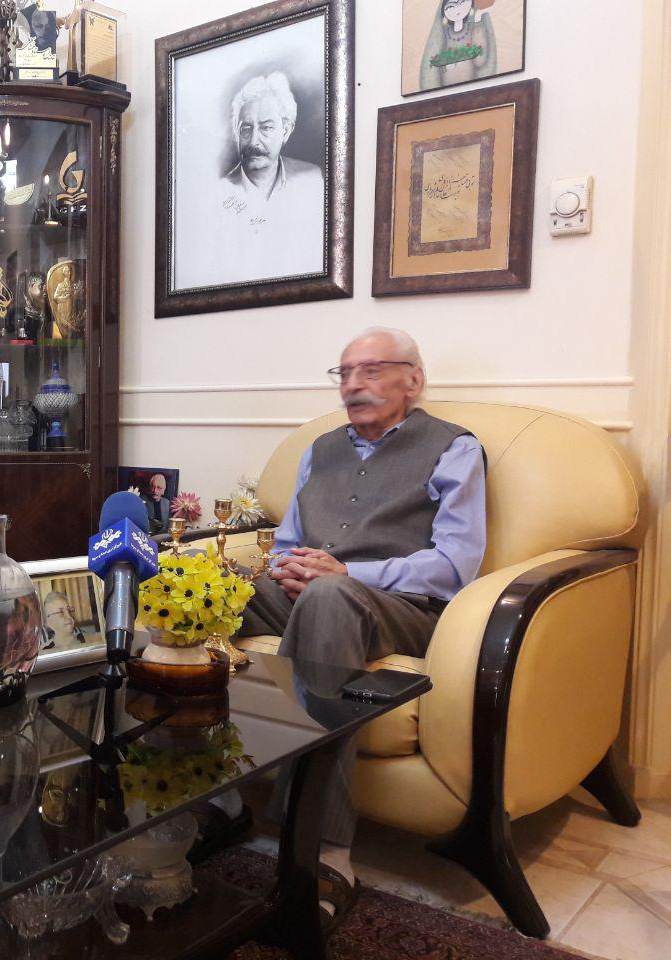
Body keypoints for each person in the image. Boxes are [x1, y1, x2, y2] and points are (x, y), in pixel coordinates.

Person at [236, 326, 487, 913]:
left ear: (413, 381)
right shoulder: (319, 449)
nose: (353, 385)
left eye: (371, 371)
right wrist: (288, 569)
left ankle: (325, 846)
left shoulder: (454, 448)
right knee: (205, 593)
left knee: (328, 597)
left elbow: (455, 565)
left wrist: (348, 574)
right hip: (315, 592)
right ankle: (210, 799)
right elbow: (287, 543)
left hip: (403, 607)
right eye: (344, 373)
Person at [177, 71, 325, 288]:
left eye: (266, 128)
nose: (254, 140)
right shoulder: (214, 194)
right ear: (237, 133)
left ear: (286, 131)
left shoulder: (311, 181)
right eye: (246, 129)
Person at [419, 0, 498, 92]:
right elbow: (433, 59)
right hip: (446, 88)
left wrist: (478, 22)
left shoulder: (473, 27)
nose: (458, 8)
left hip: (470, 84)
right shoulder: (443, 33)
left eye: (462, 2)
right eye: (451, 6)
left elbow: (480, 61)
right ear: (443, 11)